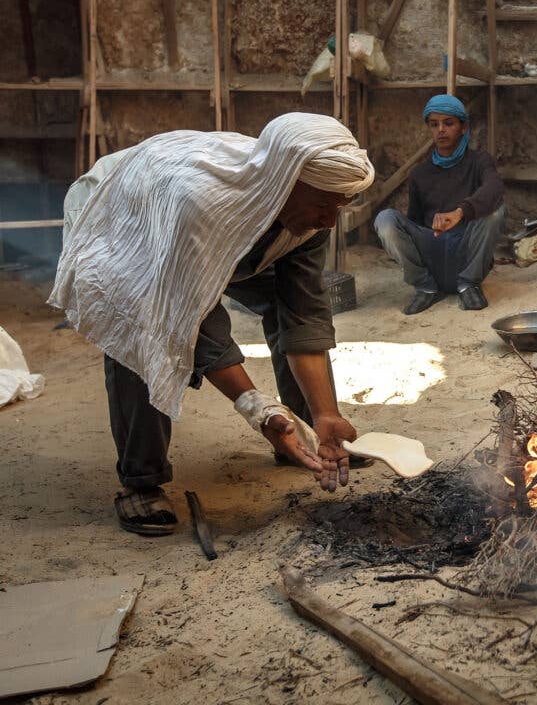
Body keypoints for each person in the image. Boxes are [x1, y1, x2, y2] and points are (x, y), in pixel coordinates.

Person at [50, 113, 375, 536]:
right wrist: (257, 409)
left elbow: (303, 312)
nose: (331, 221)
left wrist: (326, 412)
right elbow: (194, 319)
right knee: (140, 337)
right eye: (322, 205)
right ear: (283, 184)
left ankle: (309, 435)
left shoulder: (312, 207)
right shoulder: (200, 205)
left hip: (241, 232)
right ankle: (141, 482)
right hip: (128, 216)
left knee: (288, 308)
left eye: (341, 205)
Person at [374, 95, 506, 314]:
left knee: (496, 210)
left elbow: (495, 187)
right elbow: (414, 222)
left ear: (463, 127)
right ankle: (425, 288)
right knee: (385, 219)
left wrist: (460, 212)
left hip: (467, 253)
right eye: (434, 124)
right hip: (432, 254)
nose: (441, 130)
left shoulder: (480, 161)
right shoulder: (419, 174)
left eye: (448, 123)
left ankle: (469, 285)